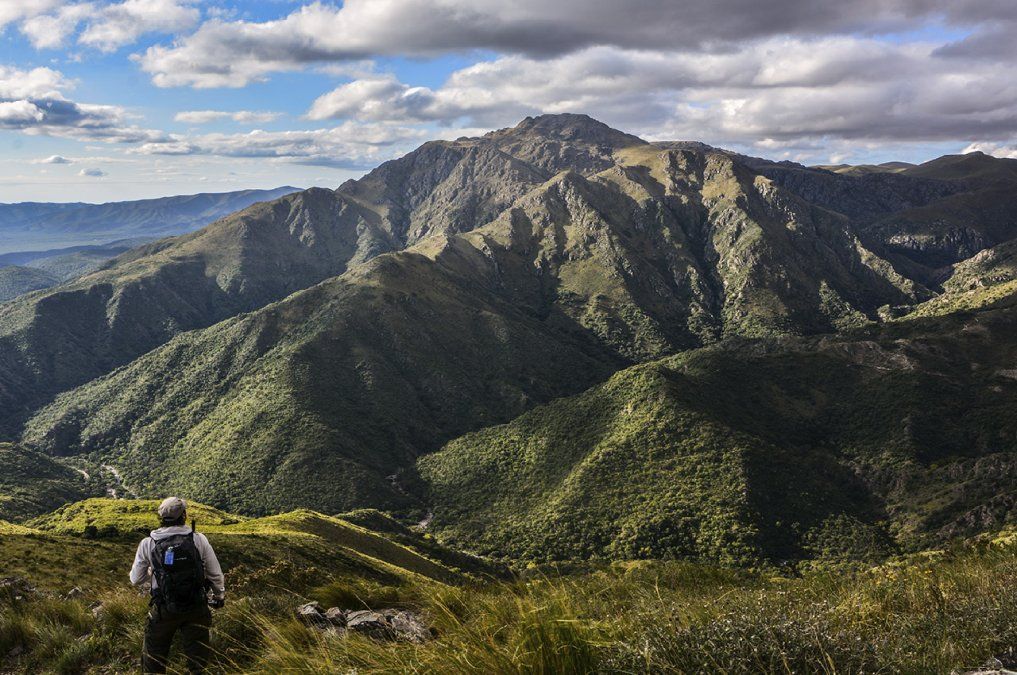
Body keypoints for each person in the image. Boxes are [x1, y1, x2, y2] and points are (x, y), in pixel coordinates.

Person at [130, 497, 226, 674]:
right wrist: (219, 596)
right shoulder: (198, 539)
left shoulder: (148, 543)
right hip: (196, 605)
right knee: (198, 661)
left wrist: (153, 573)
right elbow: (215, 573)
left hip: (164, 608)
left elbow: (135, 579)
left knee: (154, 658)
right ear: (184, 515)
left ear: (161, 518)